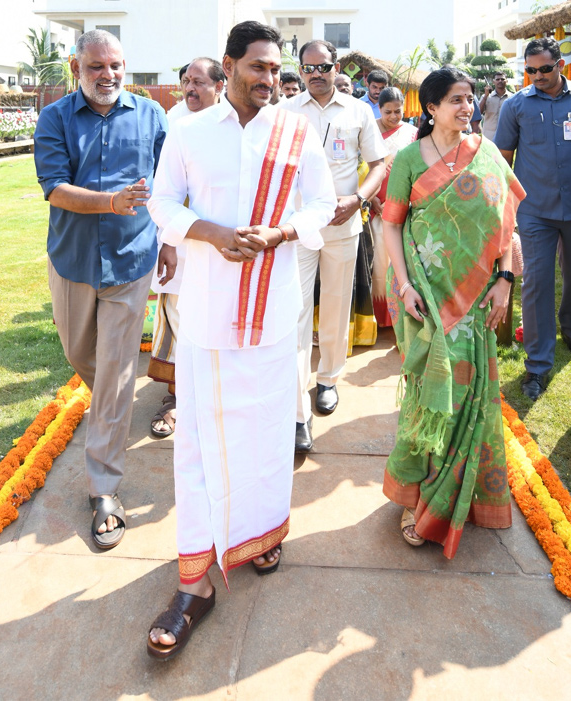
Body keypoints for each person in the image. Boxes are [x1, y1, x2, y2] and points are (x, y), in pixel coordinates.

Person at [145, 21, 335, 660]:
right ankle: (194, 584)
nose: (268, 79)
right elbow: (161, 204)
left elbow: (323, 203)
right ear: (227, 67)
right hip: (205, 317)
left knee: (267, 430)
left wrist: (281, 235)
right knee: (198, 444)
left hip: (275, 315)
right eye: (256, 67)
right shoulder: (188, 129)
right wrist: (209, 232)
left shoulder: (296, 129)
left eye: (274, 69)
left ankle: (260, 533)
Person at [33, 29, 170, 549]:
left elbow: (169, 179)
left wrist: (170, 237)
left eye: (115, 65)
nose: (108, 75)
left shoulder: (150, 113)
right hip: (72, 260)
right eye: (97, 67)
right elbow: (56, 188)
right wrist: (110, 202)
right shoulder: (55, 118)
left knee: (113, 375)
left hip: (132, 259)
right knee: (79, 354)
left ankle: (104, 488)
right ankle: (113, 407)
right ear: (76, 68)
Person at [381, 67, 525, 558]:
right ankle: (416, 498)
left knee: (471, 396)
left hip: (478, 297)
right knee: (430, 397)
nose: (468, 108)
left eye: (470, 100)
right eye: (457, 100)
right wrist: (403, 287)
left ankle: (465, 492)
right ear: (432, 107)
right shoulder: (406, 159)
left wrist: (505, 281)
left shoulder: (487, 155)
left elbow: (507, 220)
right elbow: (391, 227)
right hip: (425, 296)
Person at [284, 40, 386, 453]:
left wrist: (358, 199)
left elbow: (378, 164)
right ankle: (295, 402)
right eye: (308, 69)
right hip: (297, 226)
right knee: (295, 308)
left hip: (343, 224)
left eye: (323, 67)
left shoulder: (359, 110)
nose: (315, 75)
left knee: (338, 304)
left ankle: (328, 379)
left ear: (336, 66)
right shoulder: (285, 112)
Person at [495, 37, 571, 400]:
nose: (537, 76)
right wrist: (506, 209)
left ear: (560, 64)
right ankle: (538, 366)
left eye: (544, 68)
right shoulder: (516, 105)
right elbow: (502, 158)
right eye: (530, 70)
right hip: (534, 212)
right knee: (537, 284)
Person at [149, 57, 225, 437]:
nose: (190, 89)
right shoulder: (176, 121)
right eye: (185, 82)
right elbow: (165, 194)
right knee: (177, 315)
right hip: (181, 238)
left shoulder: (238, 124)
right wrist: (169, 241)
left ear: (220, 86)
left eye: (198, 82)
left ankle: (214, 397)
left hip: (224, 246)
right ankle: (178, 397)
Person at [370, 86, 418, 327]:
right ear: (379, 108)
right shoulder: (367, 131)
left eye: (398, 111)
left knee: (398, 261)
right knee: (377, 262)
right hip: (371, 207)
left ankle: (397, 317)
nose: (393, 117)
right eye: (388, 112)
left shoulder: (412, 133)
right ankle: (375, 317)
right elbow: (361, 166)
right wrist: (370, 198)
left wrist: (402, 200)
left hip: (401, 208)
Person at [479, 72, 509, 141]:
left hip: (506, 136)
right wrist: (486, 96)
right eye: (497, 79)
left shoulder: (512, 98)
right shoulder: (486, 97)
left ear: (506, 81)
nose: (500, 81)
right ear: (493, 82)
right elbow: (479, 112)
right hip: (488, 136)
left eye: (502, 79)